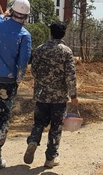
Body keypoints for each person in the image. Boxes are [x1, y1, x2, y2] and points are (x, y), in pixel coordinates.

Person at [0, 0, 32, 170]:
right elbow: (23, 62)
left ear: (12, 11)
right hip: (8, 80)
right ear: (26, 16)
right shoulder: (24, 35)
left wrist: (3, 15)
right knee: (4, 116)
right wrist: (19, 78)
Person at [24, 20, 78, 168]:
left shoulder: (40, 49)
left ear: (51, 33)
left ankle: (33, 140)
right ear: (63, 35)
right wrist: (73, 95)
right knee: (56, 126)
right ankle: (50, 158)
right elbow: (70, 76)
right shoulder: (66, 51)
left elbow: (34, 71)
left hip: (41, 94)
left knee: (39, 122)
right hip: (59, 98)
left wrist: (43, 83)